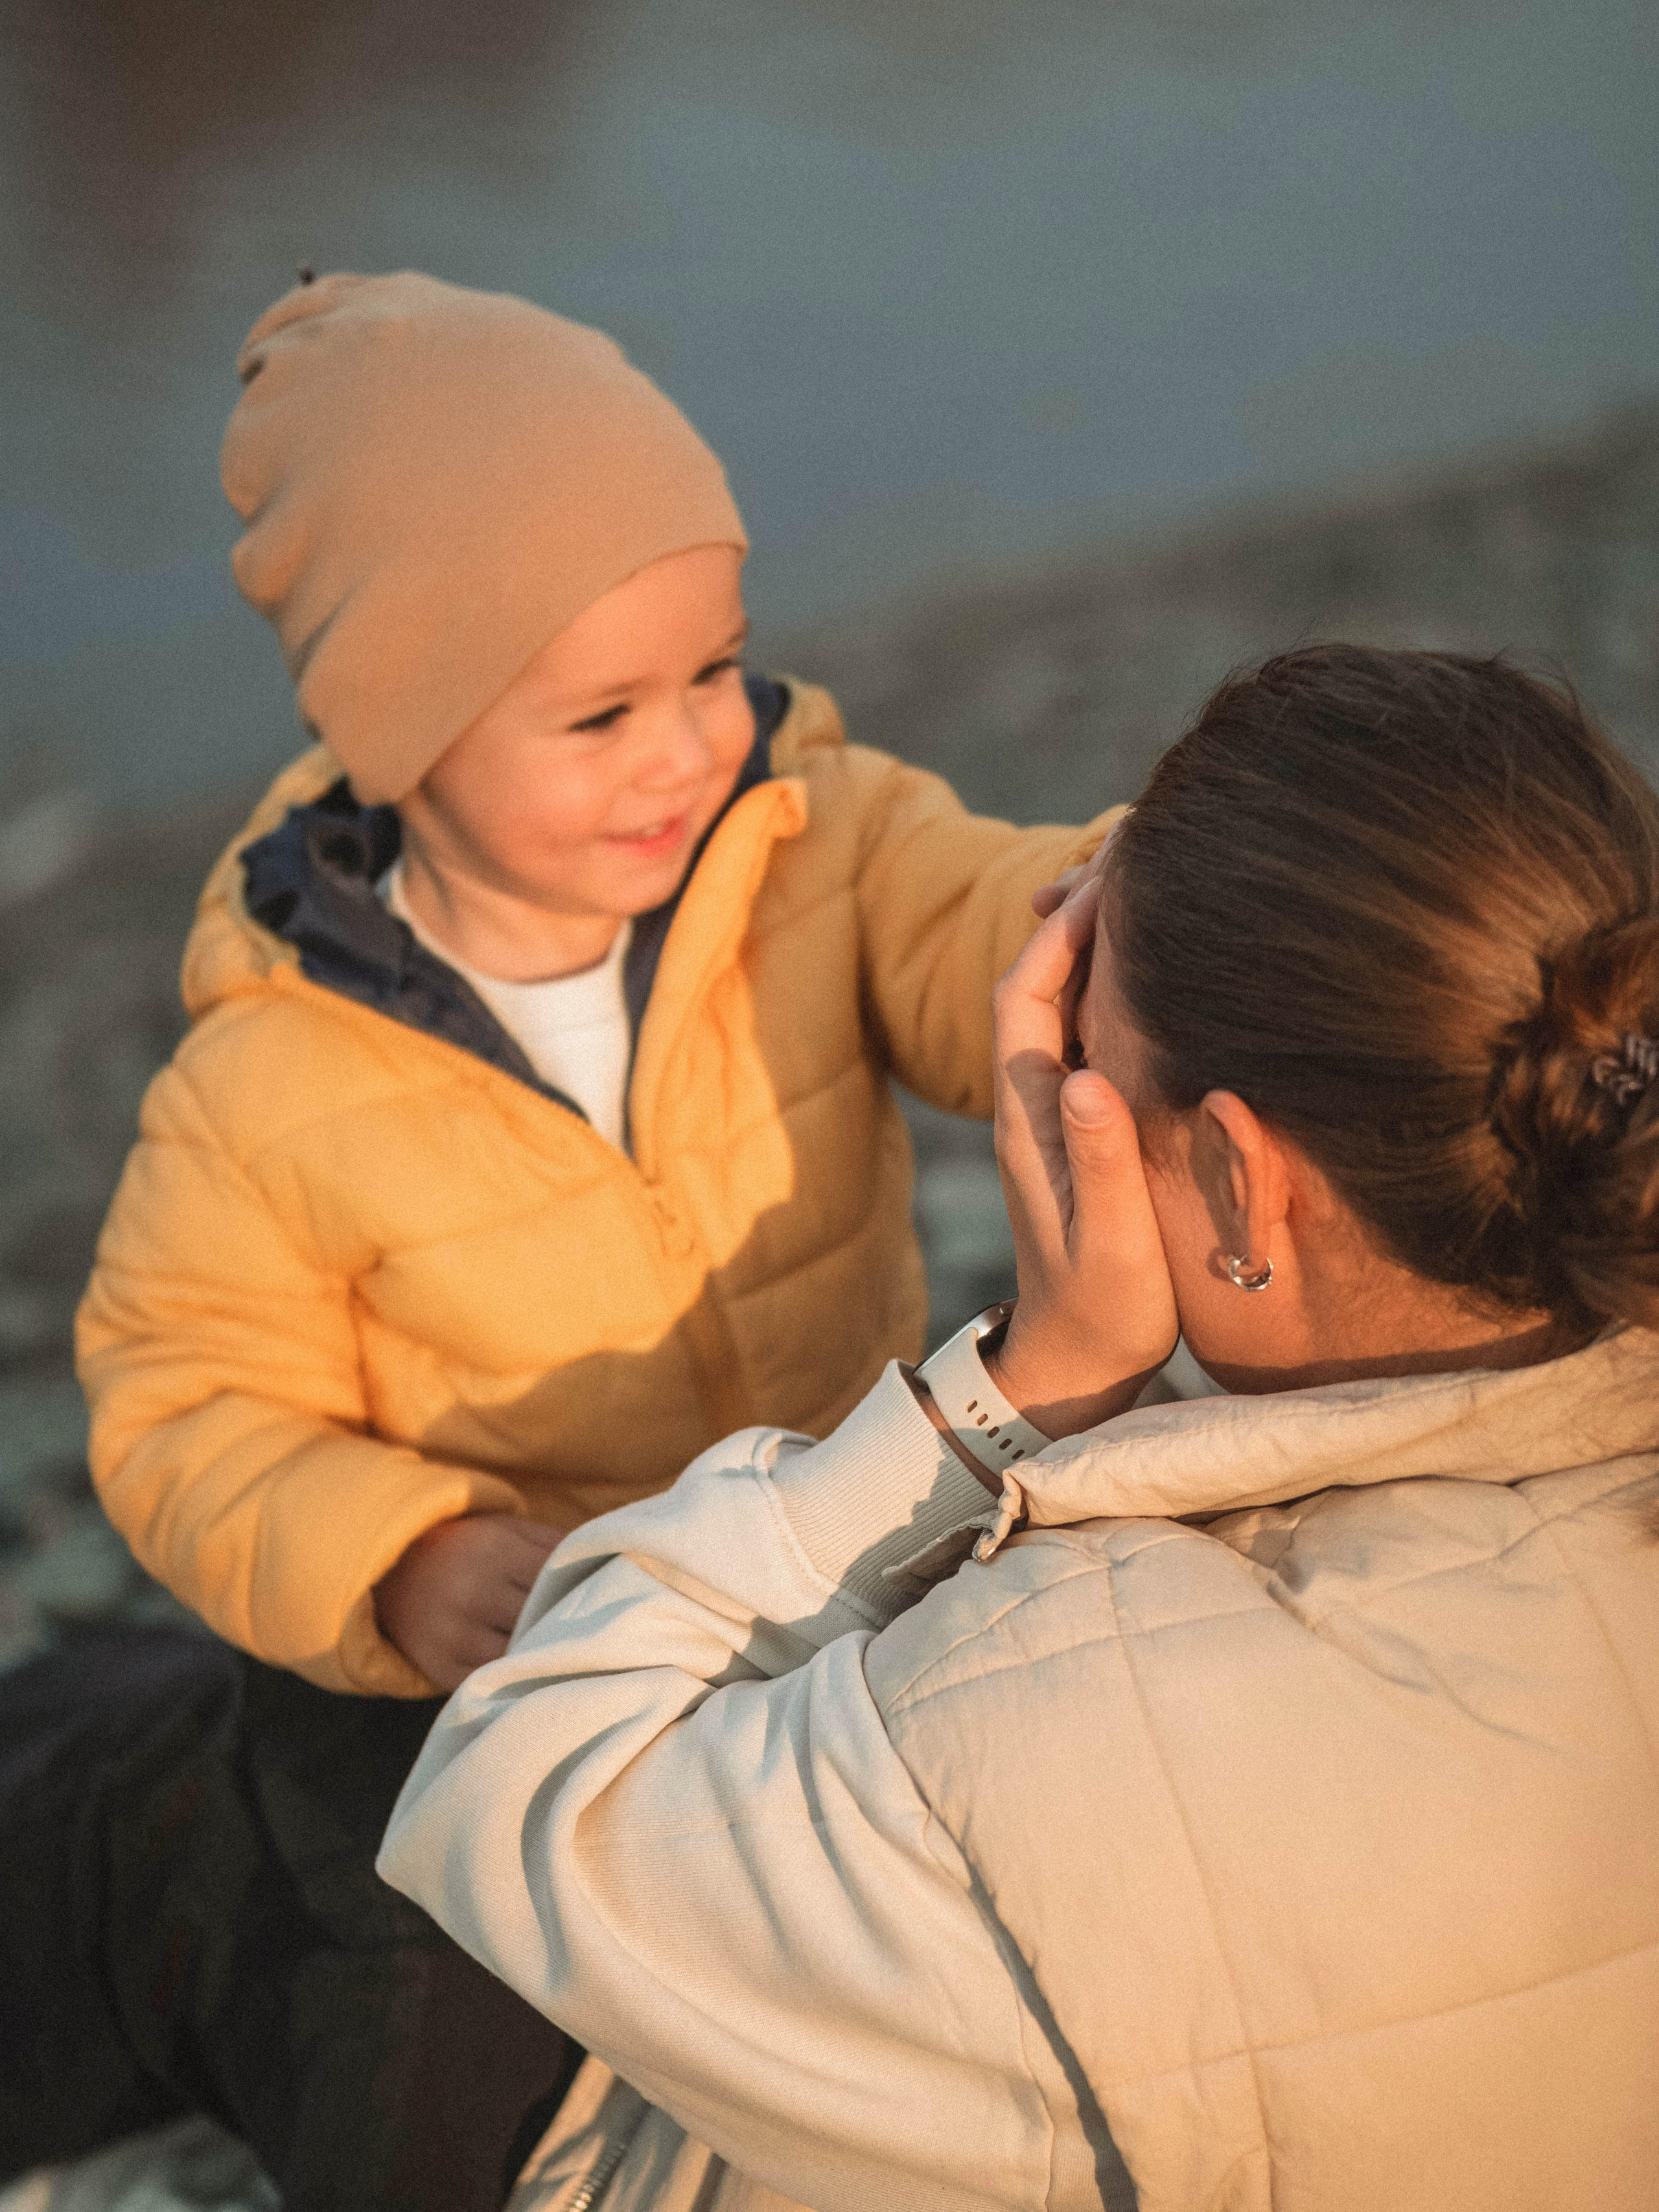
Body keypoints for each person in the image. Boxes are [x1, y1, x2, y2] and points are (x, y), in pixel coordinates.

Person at [0, 272, 1116, 2211]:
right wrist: (399, 1551)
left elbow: (979, 925)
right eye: (600, 711)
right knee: (423, 2069)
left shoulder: (809, 843)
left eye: (715, 668)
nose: (686, 750)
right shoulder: (277, 1075)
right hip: (479, 1667)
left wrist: (1126, 913)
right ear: (401, 730)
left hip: (824, 1560)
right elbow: (186, 1402)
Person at [382, 645, 1659, 2212]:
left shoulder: (1041, 1735)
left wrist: (1009, 1393)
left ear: (1245, 1186)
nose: (1060, 1092)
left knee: (213, 1819)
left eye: (1088, 1066)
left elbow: (517, 1797)